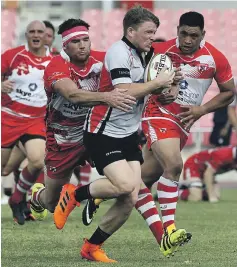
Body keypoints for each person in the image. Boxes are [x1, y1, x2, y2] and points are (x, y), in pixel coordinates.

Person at [83, 11, 235, 258]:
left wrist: (202, 109)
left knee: (139, 182)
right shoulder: (160, 50)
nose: (186, 39)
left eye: (193, 35)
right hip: (158, 113)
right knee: (175, 164)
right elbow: (135, 74)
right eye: (183, 33)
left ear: (203, 35)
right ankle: (170, 230)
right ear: (177, 30)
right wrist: (163, 90)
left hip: (183, 122)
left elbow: (229, 92)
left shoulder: (214, 58)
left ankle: (96, 201)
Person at [53, 6, 183, 263]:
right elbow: (124, 91)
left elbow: (156, 93)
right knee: (125, 185)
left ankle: (91, 246)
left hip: (128, 133)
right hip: (102, 131)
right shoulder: (118, 52)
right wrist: (157, 84)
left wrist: (168, 92)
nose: (152, 36)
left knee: (130, 197)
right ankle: (74, 195)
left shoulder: (149, 55)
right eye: (148, 32)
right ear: (131, 31)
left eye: (154, 32)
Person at [29, 18, 137, 222]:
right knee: (52, 204)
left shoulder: (104, 59)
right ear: (65, 45)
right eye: (76, 41)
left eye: (85, 40)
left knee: (127, 182)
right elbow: (73, 95)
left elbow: (134, 75)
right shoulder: (56, 66)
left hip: (96, 132)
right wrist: (107, 97)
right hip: (64, 139)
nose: (82, 45)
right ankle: (37, 195)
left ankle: (93, 196)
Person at [1, 20, 53, 225]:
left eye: (40, 31)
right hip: (8, 118)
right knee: (4, 169)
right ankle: (17, 197)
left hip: (35, 121)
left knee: (38, 160)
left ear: (47, 35)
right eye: (32, 31)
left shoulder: (54, 60)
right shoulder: (13, 55)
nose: (36, 34)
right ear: (26, 34)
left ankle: (17, 197)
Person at [209, 78, 237, 147]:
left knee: (219, 146)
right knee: (219, 146)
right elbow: (230, 113)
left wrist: (227, 127)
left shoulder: (227, 95)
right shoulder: (229, 95)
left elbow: (230, 112)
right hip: (221, 125)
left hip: (222, 125)